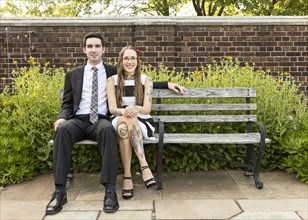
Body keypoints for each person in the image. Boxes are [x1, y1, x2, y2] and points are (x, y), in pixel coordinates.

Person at [45, 32, 185, 215]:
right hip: (78, 120)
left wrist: (166, 84)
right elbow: (67, 103)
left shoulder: (112, 72)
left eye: (97, 46)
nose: (93, 50)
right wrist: (62, 117)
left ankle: (110, 190)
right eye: (90, 46)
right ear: (84, 50)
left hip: (101, 119)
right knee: (62, 131)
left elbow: (135, 76)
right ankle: (59, 191)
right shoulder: (73, 74)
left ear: (104, 49)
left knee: (109, 132)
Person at [107, 46, 156, 200]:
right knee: (124, 122)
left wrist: (133, 108)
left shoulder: (146, 80)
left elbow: (147, 109)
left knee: (123, 129)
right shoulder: (112, 81)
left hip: (141, 120)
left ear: (137, 61)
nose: (129, 61)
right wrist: (125, 111)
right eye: (126, 58)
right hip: (119, 117)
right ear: (121, 61)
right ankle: (144, 165)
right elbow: (112, 109)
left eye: (133, 58)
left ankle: (127, 177)